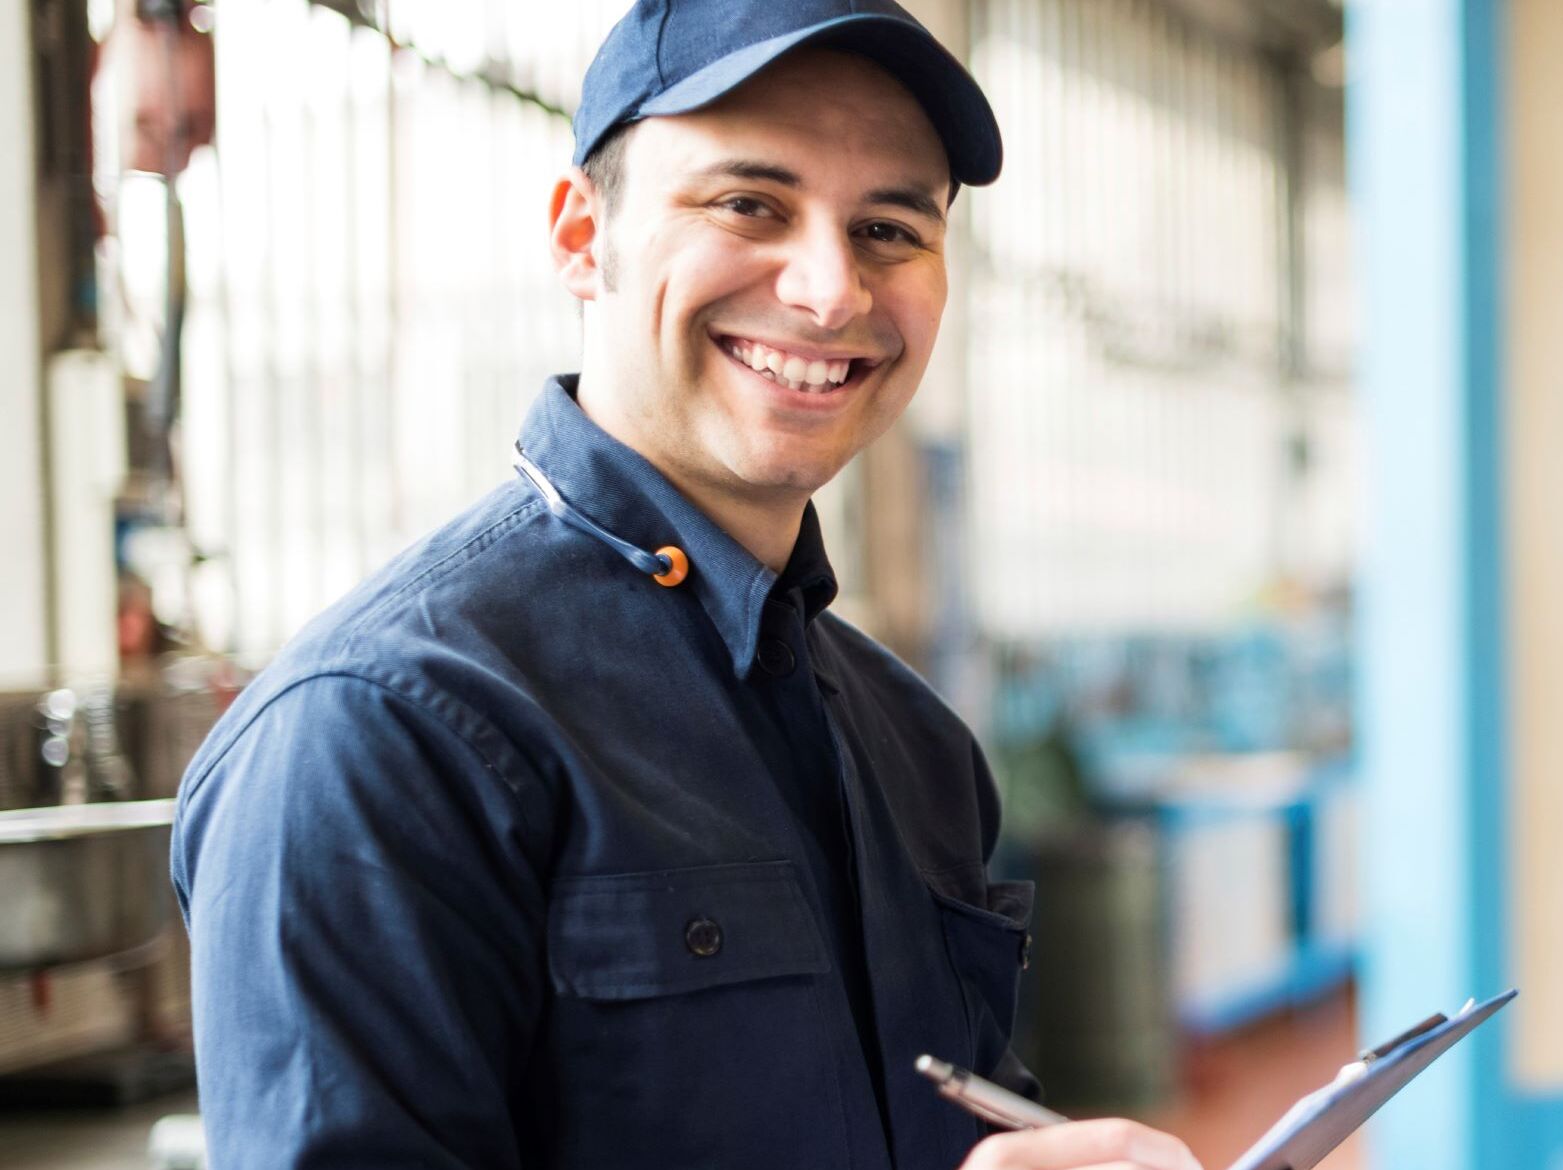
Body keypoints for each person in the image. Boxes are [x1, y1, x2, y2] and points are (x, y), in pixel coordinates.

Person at [169, 3, 1201, 1168]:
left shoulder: (912, 742)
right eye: (748, 204)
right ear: (578, 237)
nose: (828, 291)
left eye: (888, 228)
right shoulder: (381, 736)